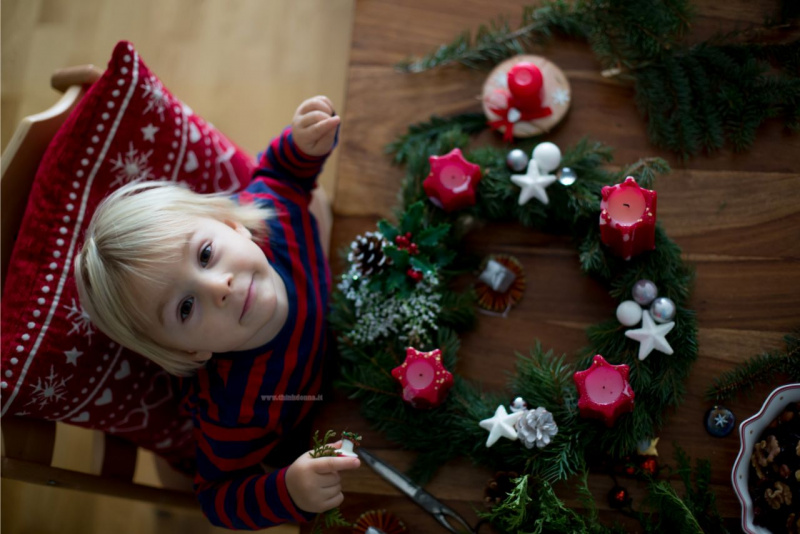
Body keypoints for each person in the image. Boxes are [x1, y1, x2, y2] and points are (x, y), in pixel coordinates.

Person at [74, 96, 360, 530]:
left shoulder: (275, 217)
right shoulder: (235, 409)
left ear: (232, 225)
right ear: (188, 352)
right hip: (323, 419)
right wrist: (289, 491)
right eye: (186, 307)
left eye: (205, 254)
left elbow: (281, 173)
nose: (218, 287)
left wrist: (302, 145)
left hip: (360, 322)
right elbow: (216, 497)